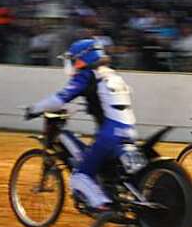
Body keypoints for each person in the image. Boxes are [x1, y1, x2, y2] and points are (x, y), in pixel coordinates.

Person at [26, 38, 137, 212]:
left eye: (74, 59)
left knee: (79, 176)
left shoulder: (86, 75)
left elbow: (59, 99)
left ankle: (103, 206)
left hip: (108, 135)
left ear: (83, 58)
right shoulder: (111, 74)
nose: (73, 63)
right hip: (129, 132)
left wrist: (34, 109)